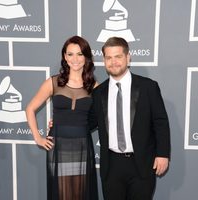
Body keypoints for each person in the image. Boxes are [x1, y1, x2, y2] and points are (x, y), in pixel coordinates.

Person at [89, 37, 171, 200]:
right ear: (104, 60)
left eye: (118, 56)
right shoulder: (98, 92)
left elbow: (160, 122)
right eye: (108, 58)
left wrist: (163, 154)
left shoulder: (148, 86)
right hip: (111, 165)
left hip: (141, 163)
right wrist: (62, 123)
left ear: (128, 57)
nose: (113, 62)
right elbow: (88, 122)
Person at [26, 35, 99, 200]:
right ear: (65, 57)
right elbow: (30, 108)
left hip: (82, 145)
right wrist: (38, 137)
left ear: (86, 57)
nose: (75, 59)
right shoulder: (53, 82)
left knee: (81, 193)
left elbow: (100, 118)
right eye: (70, 54)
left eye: (80, 54)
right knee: (61, 193)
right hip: (58, 145)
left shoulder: (94, 86)